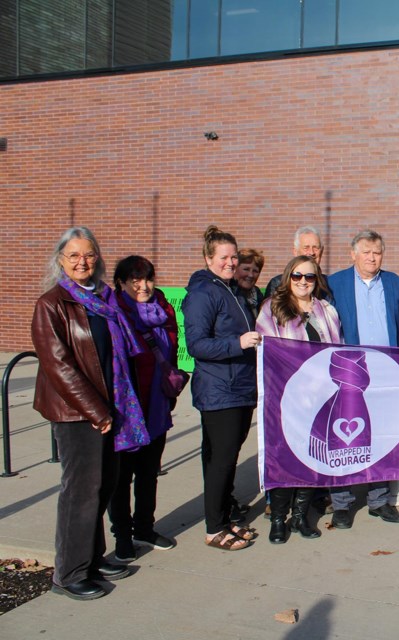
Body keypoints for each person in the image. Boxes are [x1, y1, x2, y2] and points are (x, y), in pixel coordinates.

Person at [32, 227, 143, 600]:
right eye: (74, 255)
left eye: (90, 255)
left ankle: (92, 559)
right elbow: (58, 365)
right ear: (60, 260)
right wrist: (96, 411)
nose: (83, 262)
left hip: (111, 407)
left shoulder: (105, 299)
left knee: (102, 487)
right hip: (78, 413)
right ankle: (68, 572)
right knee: (81, 492)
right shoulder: (52, 304)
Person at [325, 230, 399, 529]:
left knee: (384, 437)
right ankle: (343, 504)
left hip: (388, 374)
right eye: (366, 252)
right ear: (353, 254)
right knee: (345, 439)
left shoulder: (396, 284)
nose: (372, 258)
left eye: (377, 252)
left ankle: (379, 500)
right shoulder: (334, 284)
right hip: (350, 374)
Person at [183, 226, 261, 551]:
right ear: (208, 258)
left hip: (239, 387)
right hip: (220, 390)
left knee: (224, 458)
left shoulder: (231, 289)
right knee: (221, 460)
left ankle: (225, 518)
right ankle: (214, 528)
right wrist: (238, 343)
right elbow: (197, 344)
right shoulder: (204, 293)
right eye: (224, 257)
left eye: (233, 256)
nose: (231, 262)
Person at [257, 255, 342, 543]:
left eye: (309, 277)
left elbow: (337, 348)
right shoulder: (272, 309)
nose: (303, 282)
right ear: (287, 277)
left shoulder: (326, 310)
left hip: (321, 397)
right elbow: (267, 352)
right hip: (287, 397)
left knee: (312, 457)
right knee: (285, 458)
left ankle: (301, 516)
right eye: (297, 276)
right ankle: (278, 519)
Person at [108, 256, 179, 562]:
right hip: (127, 410)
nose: (144, 285)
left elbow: (171, 349)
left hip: (156, 405)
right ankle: (123, 536)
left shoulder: (162, 309)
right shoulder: (113, 313)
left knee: (149, 472)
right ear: (121, 283)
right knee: (121, 478)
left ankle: (144, 528)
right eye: (135, 279)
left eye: (148, 278)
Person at [265, 226, 327, 299]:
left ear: (322, 251)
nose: (311, 252)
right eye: (306, 248)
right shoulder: (278, 283)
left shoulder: (328, 283)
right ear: (295, 252)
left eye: (315, 248)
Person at [237, 248, 265, 314]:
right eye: (246, 269)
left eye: (255, 271)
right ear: (235, 269)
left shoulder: (258, 295)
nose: (251, 275)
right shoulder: (228, 294)